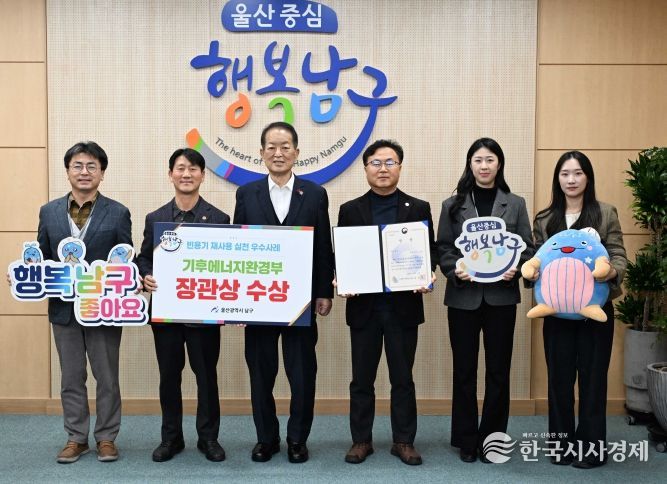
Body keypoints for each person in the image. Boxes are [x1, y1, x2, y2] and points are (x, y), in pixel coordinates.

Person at [233, 122, 334, 463]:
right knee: (261, 374)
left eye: (285, 146)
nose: (278, 153)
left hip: (300, 301)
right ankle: (266, 439)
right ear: (261, 153)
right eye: (272, 147)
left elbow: (323, 246)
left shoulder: (315, 193)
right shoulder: (246, 194)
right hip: (258, 300)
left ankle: (297, 440)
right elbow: (237, 247)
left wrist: (324, 291)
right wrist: (236, 301)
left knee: (302, 374)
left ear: (296, 152)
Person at [523, 151, 626, 469]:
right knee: (559, 380)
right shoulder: (544, 219)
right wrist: (532, 274)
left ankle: (592, 449)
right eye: (565, 174)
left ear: (588, 177)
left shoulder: (605, 213)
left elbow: (619, 254)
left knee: (593, 381)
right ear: (557, 179)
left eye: (578, 173)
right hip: (556, 314)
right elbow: (535, 257)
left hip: (596, 312)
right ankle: (561, 446)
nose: (571, 179)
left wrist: (610, 271)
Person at [336, 139, 436, 466]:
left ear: (400, 167)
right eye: (376, 163)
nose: (383, 169)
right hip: (364, 308)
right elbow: (343, 255)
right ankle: (361, 440)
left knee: (403, 379)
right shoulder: (350, 210)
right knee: (361, 380)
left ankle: (403, 441)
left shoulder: (418, 207)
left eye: (390, 162)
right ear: (366, 168)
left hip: (403, 308)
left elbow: (429, 252)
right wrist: (342, 279)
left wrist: (427, 274)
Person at [436, 137, 535, 463]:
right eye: (478, 160)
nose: (484, 166)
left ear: (499, 164)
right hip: (463, 299)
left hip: (500, 299)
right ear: (470, 164)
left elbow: (528, 247)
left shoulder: (515, 203)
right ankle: (466, 439)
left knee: (498, 372)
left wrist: (517, 269)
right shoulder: (452, 205)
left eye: (490, 160)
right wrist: (454, 269)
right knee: (464, 371)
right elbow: (443, 247)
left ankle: (492, 440)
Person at [37, 141, 132, 463]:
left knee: (107, 377)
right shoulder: (49, 212)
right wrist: (27, 273)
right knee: (71, 377)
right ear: (67, 171)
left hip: (103, 308)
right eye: (77, 165)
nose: (84, 172)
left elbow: (126, 258)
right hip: (63, 309)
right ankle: (76, 437)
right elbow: (41, 256)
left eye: (92, 166)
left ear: (102, 173)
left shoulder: (117, 212)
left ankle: (106, 437)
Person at [137, 148, 230, 463]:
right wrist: (146, 275)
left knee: (206, 377)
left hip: (205, 314)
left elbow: (227, 264)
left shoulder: (219, 219)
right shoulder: (156, 218)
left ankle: (208, 438)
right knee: (169, 377)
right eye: (180, 168)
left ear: (202, 176)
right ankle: (171, 438)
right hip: (166, 313)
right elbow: (144, 258)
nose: (186, 174)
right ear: (170, 175)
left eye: (193, 168)